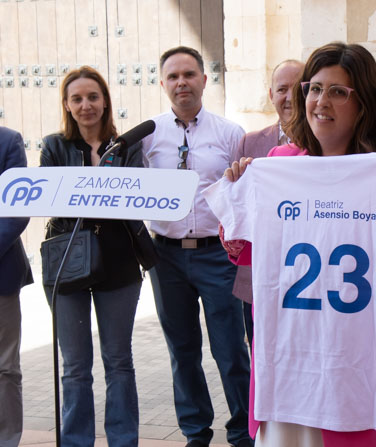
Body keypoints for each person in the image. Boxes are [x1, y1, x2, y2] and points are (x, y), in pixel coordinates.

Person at [209, 42, 376, 447]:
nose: (320, 101)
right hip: (292, 365)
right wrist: (239, 193)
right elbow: (248, 254)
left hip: (363, 366)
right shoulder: (278, 164)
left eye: (337, 91)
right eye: (314, 88)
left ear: (363, 103)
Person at [141, 46, 253, 447]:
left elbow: (244, 194)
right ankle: (195, 431)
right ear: (162, 84)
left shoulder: (230, 134)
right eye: (173, 76)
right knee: (182, 350)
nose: (181, 83)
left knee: (230, 349)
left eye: (189, 74)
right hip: (166, 257)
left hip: (217, 255)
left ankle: (243, 431)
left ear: (204, 80)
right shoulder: (148, 135)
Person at [40, 66, 145, 447]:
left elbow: (135, 197)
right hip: (67, 260)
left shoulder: (127, 145)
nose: (86, 105)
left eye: (93, 97)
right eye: (77, 99)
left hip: (119, 262)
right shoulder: (55, 146)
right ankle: (76, 441)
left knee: (118, 361)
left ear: (105, 102)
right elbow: (51, 198)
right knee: (74, 366)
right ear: (67, 106)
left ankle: (123, 440)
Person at [229, 59, 304, 345]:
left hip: (307, 275)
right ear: (271, 95)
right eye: (282, 89)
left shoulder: (327, 144)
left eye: (298, 89)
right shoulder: (249, 143)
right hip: (259, 279)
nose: (289, 97)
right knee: (262, 356)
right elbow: (237, 209)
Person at [0, 127, 33, 447]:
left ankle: (6, 440)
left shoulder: (7, 141)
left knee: (4, 366)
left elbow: (17, 210)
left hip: (1, 275)